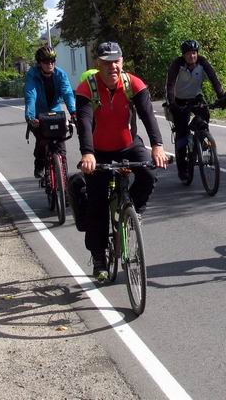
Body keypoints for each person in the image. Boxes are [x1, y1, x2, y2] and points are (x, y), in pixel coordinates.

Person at [76, 41, 167, 281]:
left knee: (148, 172)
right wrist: (87, 153)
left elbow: (148, 116)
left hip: (129, 145)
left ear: (122, 62)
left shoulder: (133, 84)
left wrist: (157, 146)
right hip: (99, 151)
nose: (112, 67)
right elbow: (84, 123)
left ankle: (134, 212)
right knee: (96, 202)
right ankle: (99, 258)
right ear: (98, 64)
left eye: (116, 61)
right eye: (106, 62)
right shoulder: (87, 88)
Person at [165, 39, 226, 178]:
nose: (192, 56)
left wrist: (221, 96)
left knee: (204, 116)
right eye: (188, 54)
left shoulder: (202, 62)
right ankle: (182, 168)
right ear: (183, 55)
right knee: (181, 132)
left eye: (194, 53)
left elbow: (214, 79)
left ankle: (202, 137)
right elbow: (170, 85)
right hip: (179, 99)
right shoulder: (177, 65)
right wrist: (172, 103)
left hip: (195, 97)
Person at [25, 45, 76, 179]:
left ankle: (63, 178)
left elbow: (68, 93)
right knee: (42, 139)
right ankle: (39, 164)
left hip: (55, 110)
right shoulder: (32, 75)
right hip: (38, 112)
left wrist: (74, 112)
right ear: (39, 63)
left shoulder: (61, 74)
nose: (50, 64)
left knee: (60, 143)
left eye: (52, 61)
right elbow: (31, 95)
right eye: (46, 61)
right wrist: (30, 117)